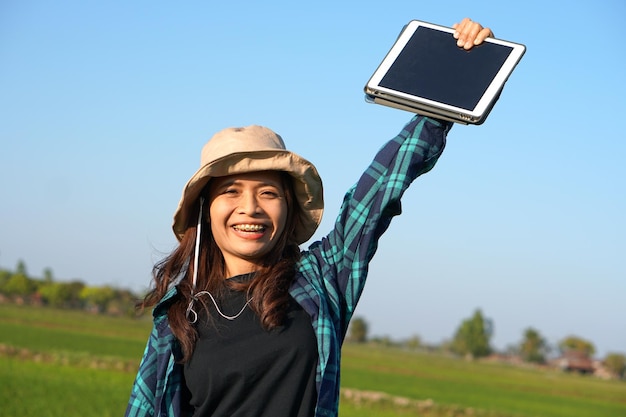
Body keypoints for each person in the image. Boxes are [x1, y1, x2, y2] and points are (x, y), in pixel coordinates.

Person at [125, 17, 494, 417]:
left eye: (268, 193)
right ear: (205, 209)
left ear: (289, 208)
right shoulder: (179, 313)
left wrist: (456, 78)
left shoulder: (321, 279)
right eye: (231, 192)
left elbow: (378, 194)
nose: (250, 208)